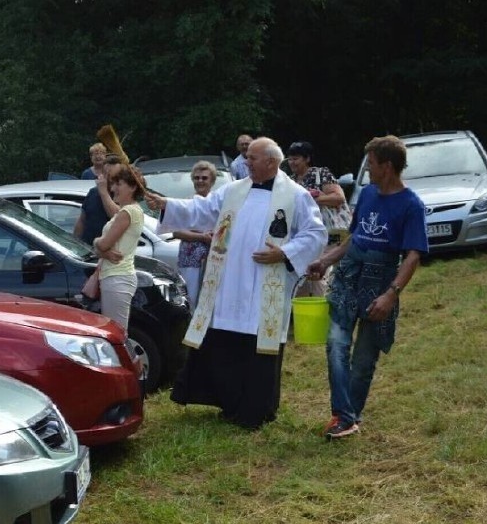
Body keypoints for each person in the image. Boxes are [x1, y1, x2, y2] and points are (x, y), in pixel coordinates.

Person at [146, 137, 327, 429]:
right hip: (229, 282)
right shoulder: (233, 190)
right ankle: (228, 403)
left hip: (264, 282)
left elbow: (315, 234)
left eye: (252, 158)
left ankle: (257, 409)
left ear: (271, 162)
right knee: (226, 344)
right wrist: (166, 204)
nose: (246, 163)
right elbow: (201, 210)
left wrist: (285, 253)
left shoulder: (295, 195)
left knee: (258, 347)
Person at [307, 135, 428, 439]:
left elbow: (413, 255)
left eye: (371, 164)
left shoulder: (412, 205)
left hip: (380, 281)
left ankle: (349, 417)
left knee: (363, 359)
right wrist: (326, 260)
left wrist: (391, 294)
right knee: (336, 346)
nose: (368, 170)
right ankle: (344, 416)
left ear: (387, 166)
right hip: (348, 277)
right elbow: (355, 236)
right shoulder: (368, 194)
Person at [287, 141, 352, 295]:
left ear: (307, 159)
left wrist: (313, 199)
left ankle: (325, 302)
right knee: (308, 270)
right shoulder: (290, 181)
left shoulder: (321, 174)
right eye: (289, 159)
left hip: (331, 231)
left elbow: (338, 197)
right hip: (306, 233)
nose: (292, 162)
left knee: (325, 269)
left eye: (296, 159)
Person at [91, 163, 146, 330]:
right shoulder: (129, 211)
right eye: (113, 183)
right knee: (114, 331)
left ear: (133, 187)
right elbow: (102, 248)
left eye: (118, 184)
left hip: (117, 277)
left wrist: (96, 243)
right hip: (115, 276)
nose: (113, 188)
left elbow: (104, 244)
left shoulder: (127, 212)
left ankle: (124, 358)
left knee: (116, 333)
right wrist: (102, 250)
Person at [172, 160, 216, 311]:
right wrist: (202, 236)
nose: (200, 181)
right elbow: (176, 231)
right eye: (197, 178)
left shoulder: (218, 205)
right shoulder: (186, 204)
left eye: (204, 178)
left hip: (214, 259)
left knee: (211, 300)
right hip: (189, 261)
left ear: (212, 181)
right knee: (190, 300)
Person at [73, 153, 122, 245]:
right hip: (87, 249)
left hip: (108, 250)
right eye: (106, 174)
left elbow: (116, 217)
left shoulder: (122, 194)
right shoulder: (93, 192)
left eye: (114, 176)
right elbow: (82, 220)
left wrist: (104, 193)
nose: (110, 179)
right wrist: (75, 242)